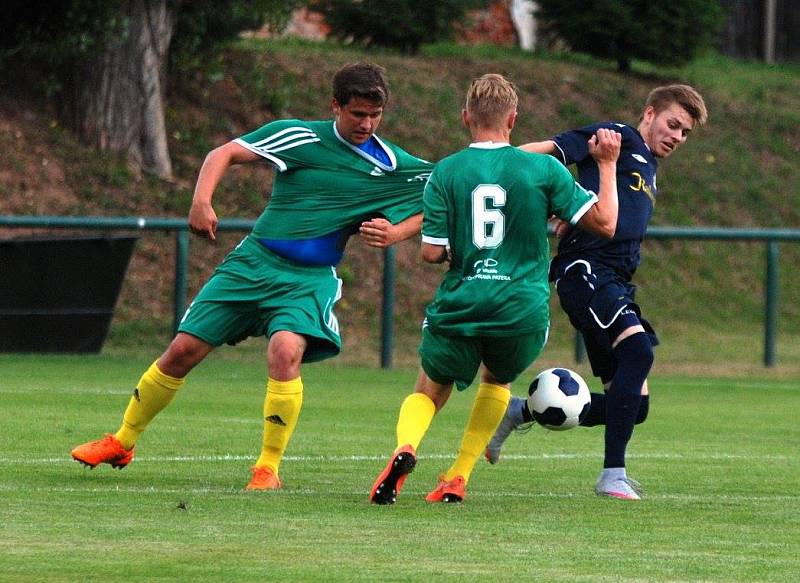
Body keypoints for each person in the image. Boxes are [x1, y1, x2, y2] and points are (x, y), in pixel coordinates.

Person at [71, 62, 433, 490]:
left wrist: (398, 232)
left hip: (308, 279)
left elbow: (447, 191)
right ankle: (122, 440)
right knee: (182, 350)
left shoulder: (391, 163)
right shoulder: (299, 136)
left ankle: (267, 469)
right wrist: (201, 202)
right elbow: (222, 153)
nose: (366, 124)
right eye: (357, 114)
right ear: (335, 106)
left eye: (375, 115)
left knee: (284, 351)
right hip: (252, 264)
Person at [369, 73, 621, 505]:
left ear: (466, 117)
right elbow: (606, 223)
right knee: (497, 381)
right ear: (513, 119)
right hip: (520, 307)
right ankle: (457, 477)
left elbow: (431, 254)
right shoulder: (544, 168)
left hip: (463, 301)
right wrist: (608, 164)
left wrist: (464, 249)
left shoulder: (446, 171)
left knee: (430, 388)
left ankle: (406, 448)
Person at [486, 84, 708, 501]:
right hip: (587, 270)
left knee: (635, 407)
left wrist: (577, 207)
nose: (678, 136)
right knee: (638, 352)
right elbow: (552, 149)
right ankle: (612, 476)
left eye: (685, 133)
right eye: (673, 124)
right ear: (650, 113)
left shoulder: (648, 167)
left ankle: (519, 410)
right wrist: (492, 160)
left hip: (614, 282)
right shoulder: (616, 137)